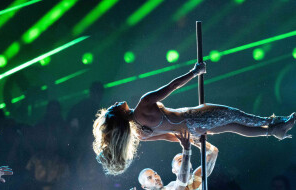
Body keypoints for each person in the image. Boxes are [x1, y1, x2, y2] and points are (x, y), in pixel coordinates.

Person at [92, 62, 296, 175]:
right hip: (196, 119)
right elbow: (172, 87)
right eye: (113, 107)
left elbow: (171, 137)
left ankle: (273, 130)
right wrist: (194, 72)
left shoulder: (140, 133)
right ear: (118, 115)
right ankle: (275, 123)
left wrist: (193, 142)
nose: (115, 103)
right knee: (235, 115)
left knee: (233, 126)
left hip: (192, 131)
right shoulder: (144, 105)